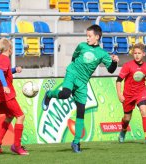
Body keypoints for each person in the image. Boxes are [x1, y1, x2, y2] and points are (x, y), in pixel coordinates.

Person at [42, 24, 119, 153]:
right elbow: (74, 58)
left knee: (81, 111)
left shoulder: (102, 54)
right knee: (65, 93)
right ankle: (49, 94)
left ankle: (76, 142)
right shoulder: (82, 46)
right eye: (86, 36)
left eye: (89, 36)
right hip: (72, 73)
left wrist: (115, 62)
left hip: (83, 83)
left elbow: (111, 70)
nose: (87, 38)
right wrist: (74, 69)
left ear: (97, 37)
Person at [116, 43, 146, 145]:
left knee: (144, 110)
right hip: (128, 95)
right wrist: (119, 94)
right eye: (135, 53)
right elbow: (118, 81)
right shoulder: (127, 66)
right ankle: (123, 130)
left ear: (144, 54)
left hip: (141, 93)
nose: (137, 55)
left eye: (139, 53)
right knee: (127, 118)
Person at [0, 38, 29, 155]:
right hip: (5, 94)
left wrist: (14, 70)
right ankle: (17, 146)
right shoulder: (5, 58)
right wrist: (5, 85)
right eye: (12, 47)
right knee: (21, 116)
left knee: (9, 116)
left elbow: (2, 71)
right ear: (10, 49)